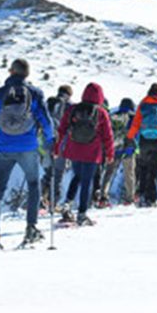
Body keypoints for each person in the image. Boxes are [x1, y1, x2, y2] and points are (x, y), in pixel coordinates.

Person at [0, 58, 54, 252]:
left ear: (11, 72)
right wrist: (50, 140)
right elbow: (46, 122)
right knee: (33, 185)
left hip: (4, 147)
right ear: (27, 74)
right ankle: (31, 228)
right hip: (28, 146)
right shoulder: (35, 94)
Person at [53, 83, 114, 226]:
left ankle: (67, 204)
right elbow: (108, 135)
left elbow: (62, 129)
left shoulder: (73, 109)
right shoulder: (101, 112)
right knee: (86, 182)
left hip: (74, 149)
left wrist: (57, 148)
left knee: (77, 176)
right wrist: (110, 153)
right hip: (92, 153)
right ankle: (82, 214)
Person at [127, 83, 157, 207]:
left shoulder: (143, 104)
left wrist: (129, 137)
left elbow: (135, 124)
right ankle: (151, 199)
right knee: (153, 170)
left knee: (143, 169)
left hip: (143, 141)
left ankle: (141, 195)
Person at [101, 98, 137, 205]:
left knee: (109, 172)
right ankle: (129, 198)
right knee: (129, 173)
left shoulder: (113, 116)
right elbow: (136, 133)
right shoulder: (133, 117)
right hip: (129, 149)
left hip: (114, 148)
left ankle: (103, 196)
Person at [42, 85, 72, 209]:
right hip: (61, 144)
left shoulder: (49, 102)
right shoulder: (69, 106)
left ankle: (41, 200)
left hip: (45, 142)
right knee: (58, 173)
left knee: (48, 172)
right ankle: (53, 203)